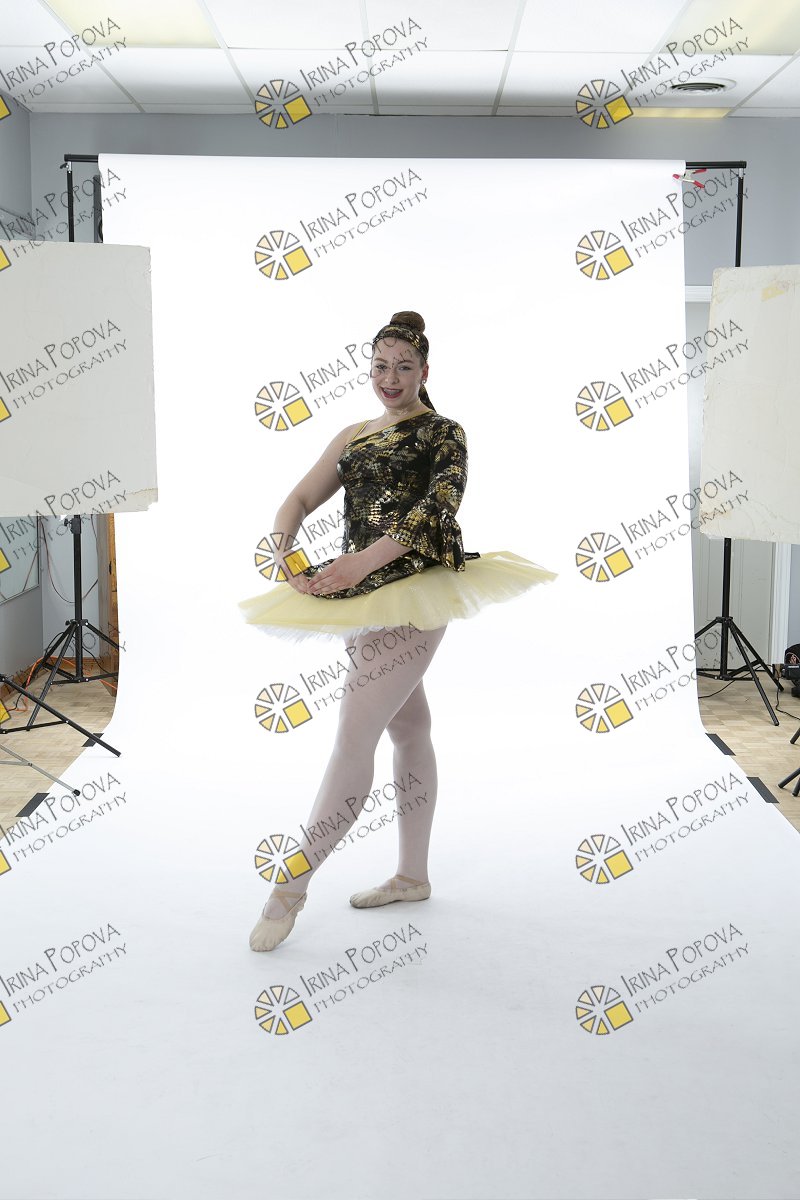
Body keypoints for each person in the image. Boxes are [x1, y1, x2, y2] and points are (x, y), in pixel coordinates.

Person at [239, 311, 557, 951]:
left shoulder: (444, 433)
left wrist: (358, 563)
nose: (390, 378)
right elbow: (298, 500)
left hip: (413, 591)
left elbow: (434, 513)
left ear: (424, 371)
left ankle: (290, 887)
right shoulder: (353, 435)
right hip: (358, 596)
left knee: (352, 737)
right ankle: (413, 877)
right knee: (409, 727)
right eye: (380, 366)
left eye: (403, 367)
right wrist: (283, 547)